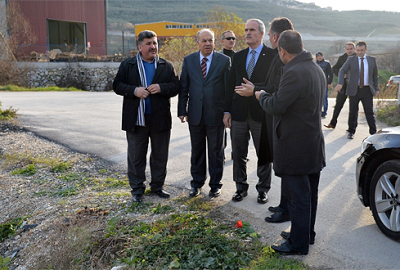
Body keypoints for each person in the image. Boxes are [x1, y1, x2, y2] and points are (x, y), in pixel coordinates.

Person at [255, 30, 326, 255]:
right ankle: (305, 234)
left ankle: (298, 244)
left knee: (298, 197)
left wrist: (261, 95)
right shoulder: (315, 68)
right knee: (309, 194)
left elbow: (276, 105)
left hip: (297, 146)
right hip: (312, 143)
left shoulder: (294, 71)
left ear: (282, 51)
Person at [113, 30, 180, 203]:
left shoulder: (166, 65)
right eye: (149, 44)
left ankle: (158, 187)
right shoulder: (128, 65)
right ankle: (137, 190)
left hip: (160, 119)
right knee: (136, 157)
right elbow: (117, 85)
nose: (153, 47)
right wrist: (134, 91)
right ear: (140, 46)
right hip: (136, 119)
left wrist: (162, 88)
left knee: (160, 156)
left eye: (155, 43)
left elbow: (176, 86)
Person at [239, 17, 294, 222]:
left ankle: (286, 209)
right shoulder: (281, 57)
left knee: (285, 168)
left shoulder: (284, 59)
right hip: (273, 117)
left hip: (283, 121)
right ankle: (283, 205)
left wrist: (255, 90)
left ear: (273, 36)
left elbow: (277, 89)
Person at [224, 18, 275, 204]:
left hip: (260, 112)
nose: (247, 33)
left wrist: (255, 89)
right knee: (238, 153)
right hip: (238, 113)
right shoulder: (237, 56)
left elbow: (274, 85)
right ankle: (240, 187)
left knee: (263, 153)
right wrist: (226, 111)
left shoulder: (272, 56)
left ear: (262, 34)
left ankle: (263, 189)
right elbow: (230, 85)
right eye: (245, 30)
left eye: (252, 30)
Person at [178, 29, 230, 198]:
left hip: (216, 115)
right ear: (198, 42)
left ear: (215, 43)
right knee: (197, 151)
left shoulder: (224, 61)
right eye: (204, 40)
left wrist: (227, 112)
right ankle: (197, 183)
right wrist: (181, 110)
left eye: (211, 40)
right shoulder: (189, 60)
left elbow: (228, 89)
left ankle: (215, 185)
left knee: (216, 151)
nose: (208, 43)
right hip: (195, 114)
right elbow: (184, 87)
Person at [334, 41, 379, 139]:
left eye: (362, 50)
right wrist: (340, 83)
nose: (359, 52)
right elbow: (342, 70)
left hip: (367, 90)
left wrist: (376, 88)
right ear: (356, 50)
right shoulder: (351, 59)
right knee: (353, 112)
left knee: (369, 112)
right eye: (358, 50)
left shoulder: (371, 60)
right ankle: (351, 131)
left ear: (366, 50)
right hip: (354, 89)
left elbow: (375, 75)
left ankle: (373, 132)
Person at [324, 42, 356, 129]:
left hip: (354, 86)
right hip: (344, 86)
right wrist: (341, 74)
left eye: (351, 49)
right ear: (345, 50)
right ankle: (332, 123)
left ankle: (351, 128)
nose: (349, 51)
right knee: (338, 105)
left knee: (353, 108)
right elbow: (334, 68)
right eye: (347, 49)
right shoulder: (342, 58)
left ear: (354, 49)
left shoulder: (358, 58)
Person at [315, 52, 333, 118]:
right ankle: (318, 111)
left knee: (324, 98)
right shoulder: (314, 64)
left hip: (325, 83)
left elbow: (331, 74)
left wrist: (329, 83)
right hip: (317, 83)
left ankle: (324, 112)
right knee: (316, 98)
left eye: (321, 56)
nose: (319, 57)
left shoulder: (327, 64)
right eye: (318, 56)